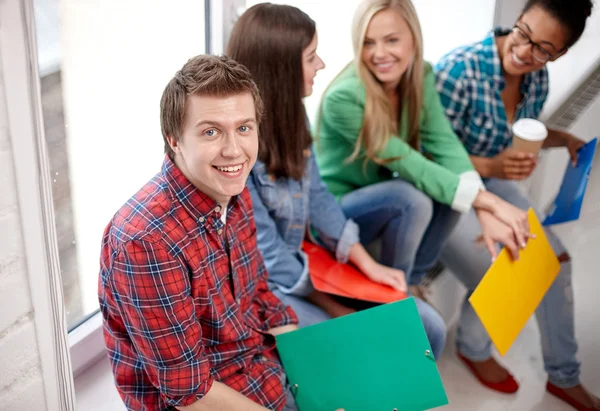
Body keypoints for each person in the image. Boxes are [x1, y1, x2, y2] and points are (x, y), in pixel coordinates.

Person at [98, 55, 341, 411]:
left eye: (244, 128)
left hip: (261, 372)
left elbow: (261, 297)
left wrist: (320, 384)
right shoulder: (145, 241)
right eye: (211, 131)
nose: (234, 150)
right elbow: (190, 393)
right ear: (174, 139)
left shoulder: (230, 189)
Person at [226, 3, 447, 359]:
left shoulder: (292, 114)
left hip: (304, 267)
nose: (322, 65)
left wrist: (368, 264)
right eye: (311, 57)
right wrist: (333, 306)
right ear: (281, 70)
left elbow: (318, 198)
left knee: (429, 329)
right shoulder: (236, 151)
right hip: (267, 290)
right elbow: (268, 257)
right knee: (365, 348)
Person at [314, 0, 531, 314]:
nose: (379, 54)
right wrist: (491, 202)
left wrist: (483, 208)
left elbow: (443, 142)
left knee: (445, 188)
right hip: (336, 207)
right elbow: (404, 161)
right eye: (368, 43)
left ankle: (412, 282)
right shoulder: (344, 98)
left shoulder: (420, 76)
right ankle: (392, 301)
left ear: (413, 37)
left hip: (376, 194)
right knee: (411, 197)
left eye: (391, 40)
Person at [435, 0, 598, 408]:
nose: (525, 52)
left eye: (543, 48)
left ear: (558, 54)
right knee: (508, 263)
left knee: (555, 259)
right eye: (523, 33)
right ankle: (472, 349)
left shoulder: (536, 79)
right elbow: (429, 159)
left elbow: (523, 132)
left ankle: (564, 376)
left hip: (492, 182)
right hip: (445, 191)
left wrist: (563, 140)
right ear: (516, 20)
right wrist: (491, 167)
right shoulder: (459, 70)